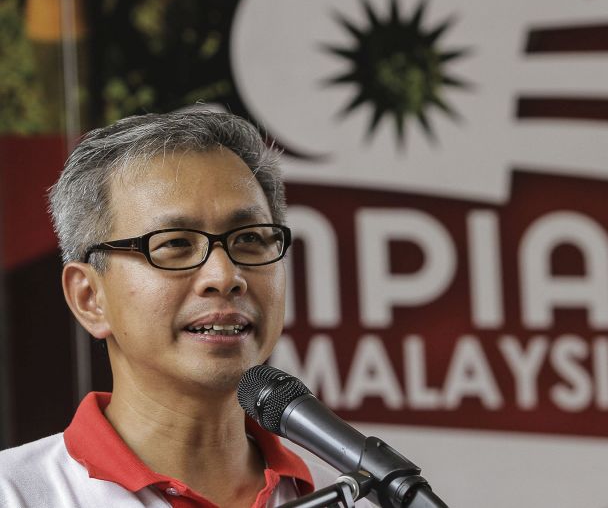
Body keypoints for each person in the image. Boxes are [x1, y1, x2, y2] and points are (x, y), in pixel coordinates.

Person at [0, 111, 370, 507]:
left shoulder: (355, 496)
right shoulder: (16, 492)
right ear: (90, 298)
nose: (225, 275)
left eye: (249, 238)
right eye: (175, 244)